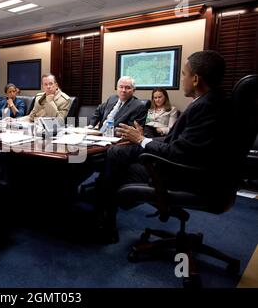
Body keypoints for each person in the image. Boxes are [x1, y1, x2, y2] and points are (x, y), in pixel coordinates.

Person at [94, 50, 228, 244]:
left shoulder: (205, 106)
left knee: (117, 163)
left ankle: (104, 220)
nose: (183, 79)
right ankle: (103, 210)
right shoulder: (214, 101)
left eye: (184, 74)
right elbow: (179, 144)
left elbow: (178, 153)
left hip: (186, 177)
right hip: (195, 170)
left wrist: (141, 140)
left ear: (196, 79)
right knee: (118, 155)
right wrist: (141, 138)